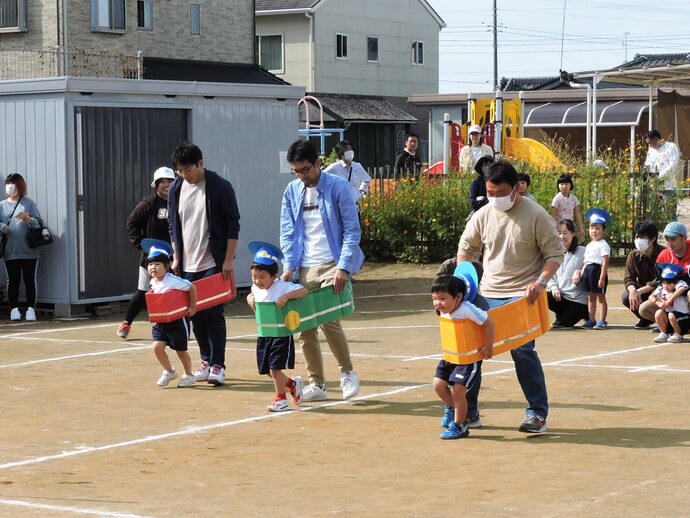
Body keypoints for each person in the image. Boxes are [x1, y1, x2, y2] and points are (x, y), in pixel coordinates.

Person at [457, 160, 563, 434]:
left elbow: (555, 254)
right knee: (471, 352)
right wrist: (464, 283)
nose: (494, 198)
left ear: (516, 188)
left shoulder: (537, 214)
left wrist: (541, 282)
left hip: (522, 296)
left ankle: (537, 414)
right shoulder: (484, 214)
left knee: (523, 351)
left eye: (500, 193)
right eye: (490, 193)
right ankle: (469, 412)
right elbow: (466, 249)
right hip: (486, 294)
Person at [280, 139, 364, 401]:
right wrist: (289, 266)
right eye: (296, 171)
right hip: (305, 266)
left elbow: (352, 229)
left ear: (317, 163)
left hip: (332, 263)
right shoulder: (292, 191)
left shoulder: (338, 187)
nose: (302, 176)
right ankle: (316, 384)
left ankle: (347, 373)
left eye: (305, 169)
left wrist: (343, 266)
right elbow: (288, 231)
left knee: (328, 319)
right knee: (305, 326)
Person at [167, 142, 240, 387]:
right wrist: (176, 257)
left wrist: (228, 259)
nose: (185, 175)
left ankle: (218, 365)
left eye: (188, 170)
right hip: (187, 262)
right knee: (194, 313)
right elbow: (173, 227)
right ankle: (205, 360)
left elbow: (233, 224)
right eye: (180, 171)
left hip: (214, 260)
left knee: (214, 312)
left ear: (201, 163)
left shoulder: (219, 186)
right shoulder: (176, 188)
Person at [246, 241, 308, 412]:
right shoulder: (255, 288)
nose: (258, 281)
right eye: (254, 277)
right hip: (264, 334)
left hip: (280, 335)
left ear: (274, 276)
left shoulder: (281, 287)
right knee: (266, 370)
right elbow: (253, 293)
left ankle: (281, 400)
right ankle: (292, 384)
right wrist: (249, 297)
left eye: (262, 277)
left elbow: (303, 291)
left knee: (275, 370)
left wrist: (287, 297)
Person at [431, 273, 494, 440]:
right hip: (450, 356)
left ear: (458, 297)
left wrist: (488, 346)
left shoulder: (467, 309)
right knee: (438, 385)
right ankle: (453, 409)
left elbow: (488, 323)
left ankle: (460, 425)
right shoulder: (442, 310)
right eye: (435, 298)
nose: (438, 303)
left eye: (443, 298)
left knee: (459, 391)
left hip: (467, 359)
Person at [117, 167, 176, 339]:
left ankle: (177, 326)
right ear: (156, 185)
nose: (167, 185)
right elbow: (132, 224)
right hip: (150, 258)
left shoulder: (178, 202)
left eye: (170, 181)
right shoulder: (148, 204)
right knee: (143, 291)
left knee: (173, 290)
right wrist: (142, 246)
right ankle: (126, 323)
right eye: (163, 182)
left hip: (173, 258)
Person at [143, 239, 198, 388]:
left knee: (181, 351)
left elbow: (191, 287)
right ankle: (169, 371)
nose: (153, 267)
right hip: (161, 322)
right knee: (157, 347)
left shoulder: (173, 280)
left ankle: (189, 375)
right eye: (150, 264)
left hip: (177, 322)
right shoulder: (154, 282)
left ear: (167, 266)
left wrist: (192, 307)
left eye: (157, 264)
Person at [0, 173, 43, 322]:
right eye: (8, 183)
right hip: (10, 250)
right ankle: (14, 310)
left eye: (13, 183)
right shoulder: (1, 205)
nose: (10, 186)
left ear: (20, 185)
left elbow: (39, 223)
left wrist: (28, 219)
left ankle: (31, 309)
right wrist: (2, 227)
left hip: (30, 250)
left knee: (30, 280)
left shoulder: (28, 203)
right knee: (12, 281)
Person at [637, 221, 690, 326]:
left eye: (673, 239)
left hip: (685, 294)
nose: (669, 243)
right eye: (667, 239)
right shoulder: (663, 256)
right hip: (671, 296)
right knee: (644, 309)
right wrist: (662, 298)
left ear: (684, 238)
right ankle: (673, 326)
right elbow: (659, 281)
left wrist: (677, 294)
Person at [621, 221, 664, 329]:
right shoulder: (633, 255)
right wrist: (633, 291)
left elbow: (661, 280)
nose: (638, 240)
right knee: (626, 297)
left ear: (652, 239)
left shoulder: (663, 253)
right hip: (644, 292)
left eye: (642, 237)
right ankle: (646, 318)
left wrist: (640, 291)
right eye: (636, 237)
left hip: (660, 290)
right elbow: (628, 278)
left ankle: (664, 320)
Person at [547, 219, 589, 328]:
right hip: (561, 296)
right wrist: (553, 287)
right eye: (559, 233)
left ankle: (584, 313)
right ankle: (560, 314)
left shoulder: (583, 251)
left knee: (562, 325)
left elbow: (593, 265)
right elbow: (548, 274)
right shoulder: (554, 252)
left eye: (565, 233)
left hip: (577, 300)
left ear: (573, 234)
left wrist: (580, 271)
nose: (562, 236)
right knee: (543, 296)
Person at [575, 209, 611, 330]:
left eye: (597, 228)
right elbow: (586, 261)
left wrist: (601, 278)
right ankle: (591, 319)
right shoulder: (589, 245)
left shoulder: (604, 245)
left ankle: (602, 320)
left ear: (603, 230)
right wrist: (581, 273)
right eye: (591, 228)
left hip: (597, 272)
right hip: (588, 273)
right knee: (590, 297)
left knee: (600, 297)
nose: (594, 231)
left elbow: (605, 263)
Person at [650, 263, 689, 343]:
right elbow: (651, 296)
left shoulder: (680, 284)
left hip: (683, 319)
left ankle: (678, 334)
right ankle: (663, 333)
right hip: (670, 319)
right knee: (659, 313)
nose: (665, 286)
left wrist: (671, 299)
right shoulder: (661, 288)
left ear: (676, 282)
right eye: (664, 283)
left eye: (669, 283)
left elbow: (682, 288)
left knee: (671, 314)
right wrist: (658, 303)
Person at [324, 140, 371, 205]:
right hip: (340, 204)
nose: (350, 151)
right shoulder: (334, 167)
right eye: (346, 149)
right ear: (340, 153)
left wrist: (362, 191)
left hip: (355, 203)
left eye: (351, 149)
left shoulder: (357, 166)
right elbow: (322, 177)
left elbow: (367, 179)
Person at [551, 174, 584, 241]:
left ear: (570, 185)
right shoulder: (557, 199)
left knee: (575, 241)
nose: (564, 186)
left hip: (570, 225)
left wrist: (581, 228)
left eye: (566, 184)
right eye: (561, 184)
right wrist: (553, 229)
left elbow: (577, 214)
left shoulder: (574, 198)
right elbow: (553, 216)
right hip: (560, 227)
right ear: (558, 185)